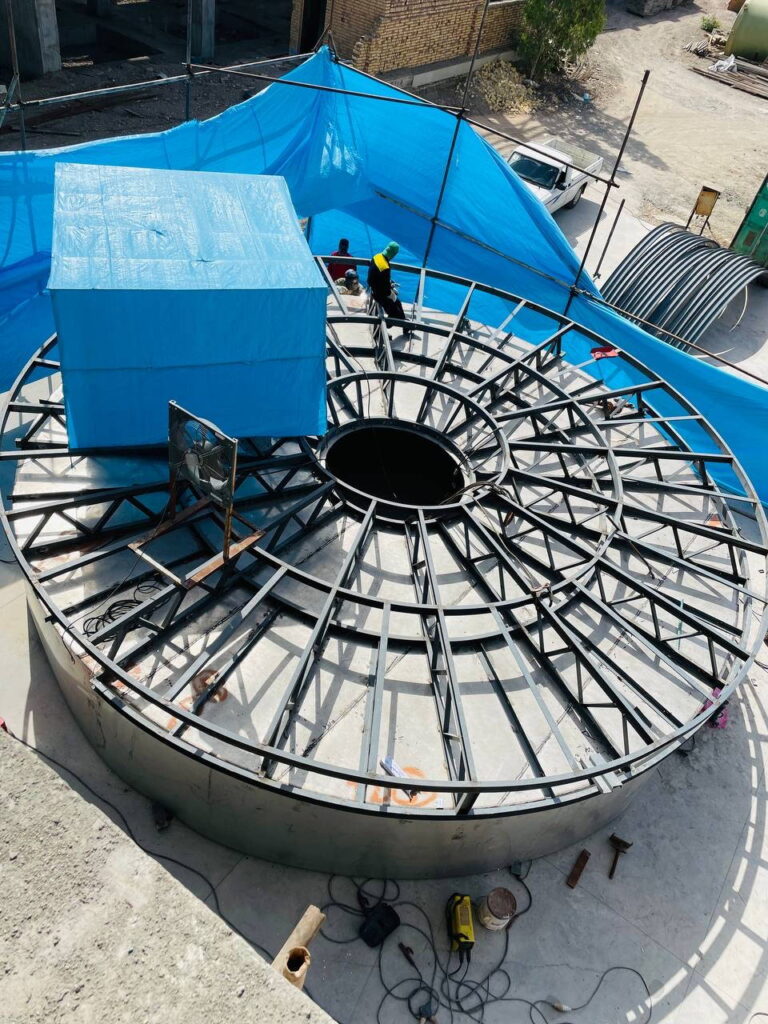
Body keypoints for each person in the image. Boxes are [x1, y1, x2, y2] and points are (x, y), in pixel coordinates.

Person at [367, 241, 407, 322]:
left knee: (398, 302)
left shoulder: (376, 256)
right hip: (379, 294)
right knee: (396, 312)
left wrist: (389, 284)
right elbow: (386, 291)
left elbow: (376, 276)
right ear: (393, 254)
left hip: (373, 288)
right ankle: (386, 326)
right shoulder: (385, 267)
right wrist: (391, 291)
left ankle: (404, 324)